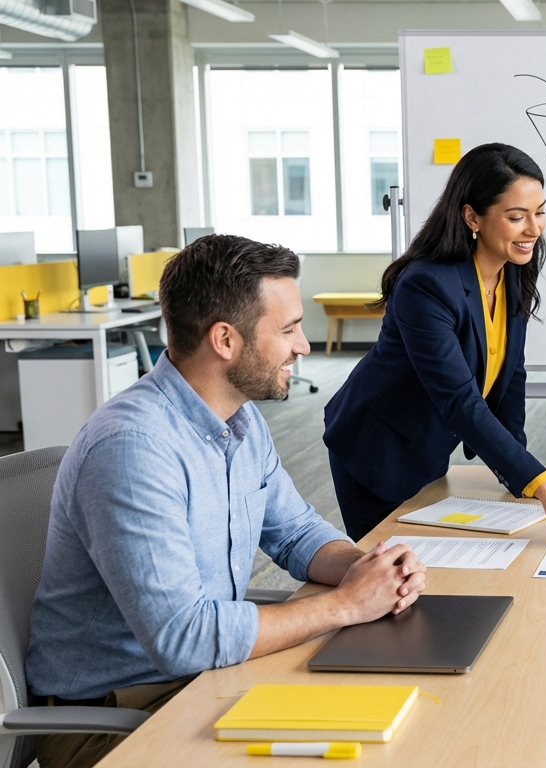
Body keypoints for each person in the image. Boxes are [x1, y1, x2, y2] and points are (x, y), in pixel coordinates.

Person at [25, 235, 427, 768]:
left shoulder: (238, 421)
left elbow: (295, 532)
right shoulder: (132, 449)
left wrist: (371, 569)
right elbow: (183, 637)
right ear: (225, 340)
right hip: (116, 721)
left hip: (204, 680)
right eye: (287, 330)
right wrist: (347, 604)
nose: (303, 346)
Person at [324, 143, 546, 545]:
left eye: (539, 212)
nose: (534, 228)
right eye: (516, 217)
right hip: (378, 449)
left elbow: (511, 377)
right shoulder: (425, 285)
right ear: (472, 216)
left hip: (428, 443)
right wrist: (540, 485)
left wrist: (524, 476)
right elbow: (459, 400)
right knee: (387, 574)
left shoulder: (512, 269)